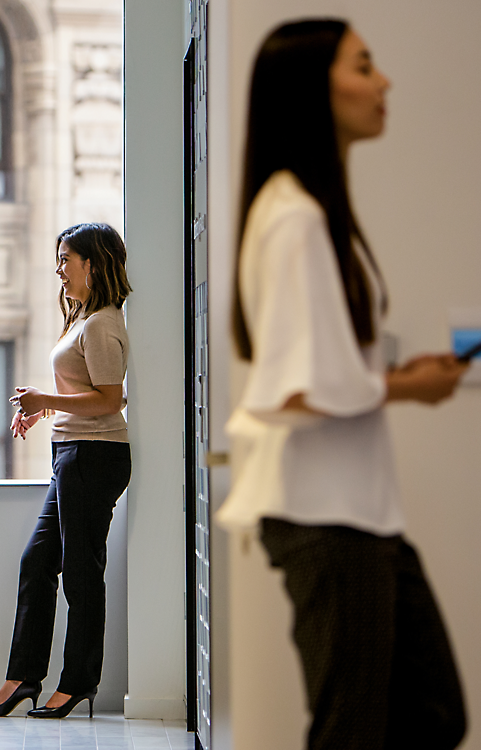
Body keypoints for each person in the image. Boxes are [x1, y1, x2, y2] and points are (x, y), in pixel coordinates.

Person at [217, 19, 468, 750]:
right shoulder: (294, 218)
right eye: (365, 66)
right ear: (312, 90)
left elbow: (318, 369)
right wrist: (406, 386)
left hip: (358, 512)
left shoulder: (308, 212)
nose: (384, 82)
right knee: (354, 727)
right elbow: (300, 390)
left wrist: (394, 380)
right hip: (329, 518)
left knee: (429, 716)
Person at [0, 222, 132, 720]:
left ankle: (78, 682)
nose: (59, 269)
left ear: (94, 263)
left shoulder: (104, 321)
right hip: (72, 453)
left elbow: (111, 398)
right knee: (37, 564)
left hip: (94, 455)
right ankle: (22, 678)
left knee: (82, 575)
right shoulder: (84, 317)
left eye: (67, 259)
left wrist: (47, 399)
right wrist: (48, 408)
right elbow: (89, 389)